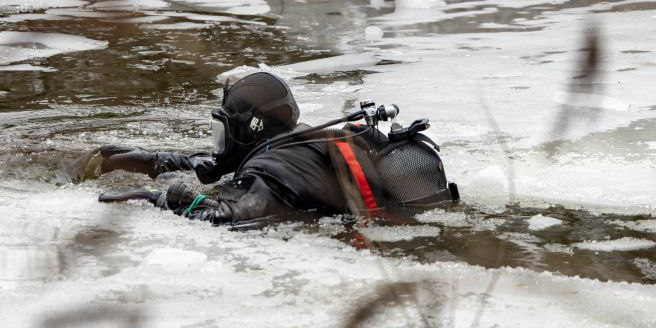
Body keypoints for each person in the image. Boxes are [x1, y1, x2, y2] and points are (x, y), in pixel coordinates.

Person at [83, 71, 458, 226]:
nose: (221, 142)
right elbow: (220, 163)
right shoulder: (303, 139)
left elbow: (234, 216)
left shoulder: (270, 171)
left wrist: (161, 199)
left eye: (224, 130)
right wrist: (158, 161)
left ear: (252, 127)